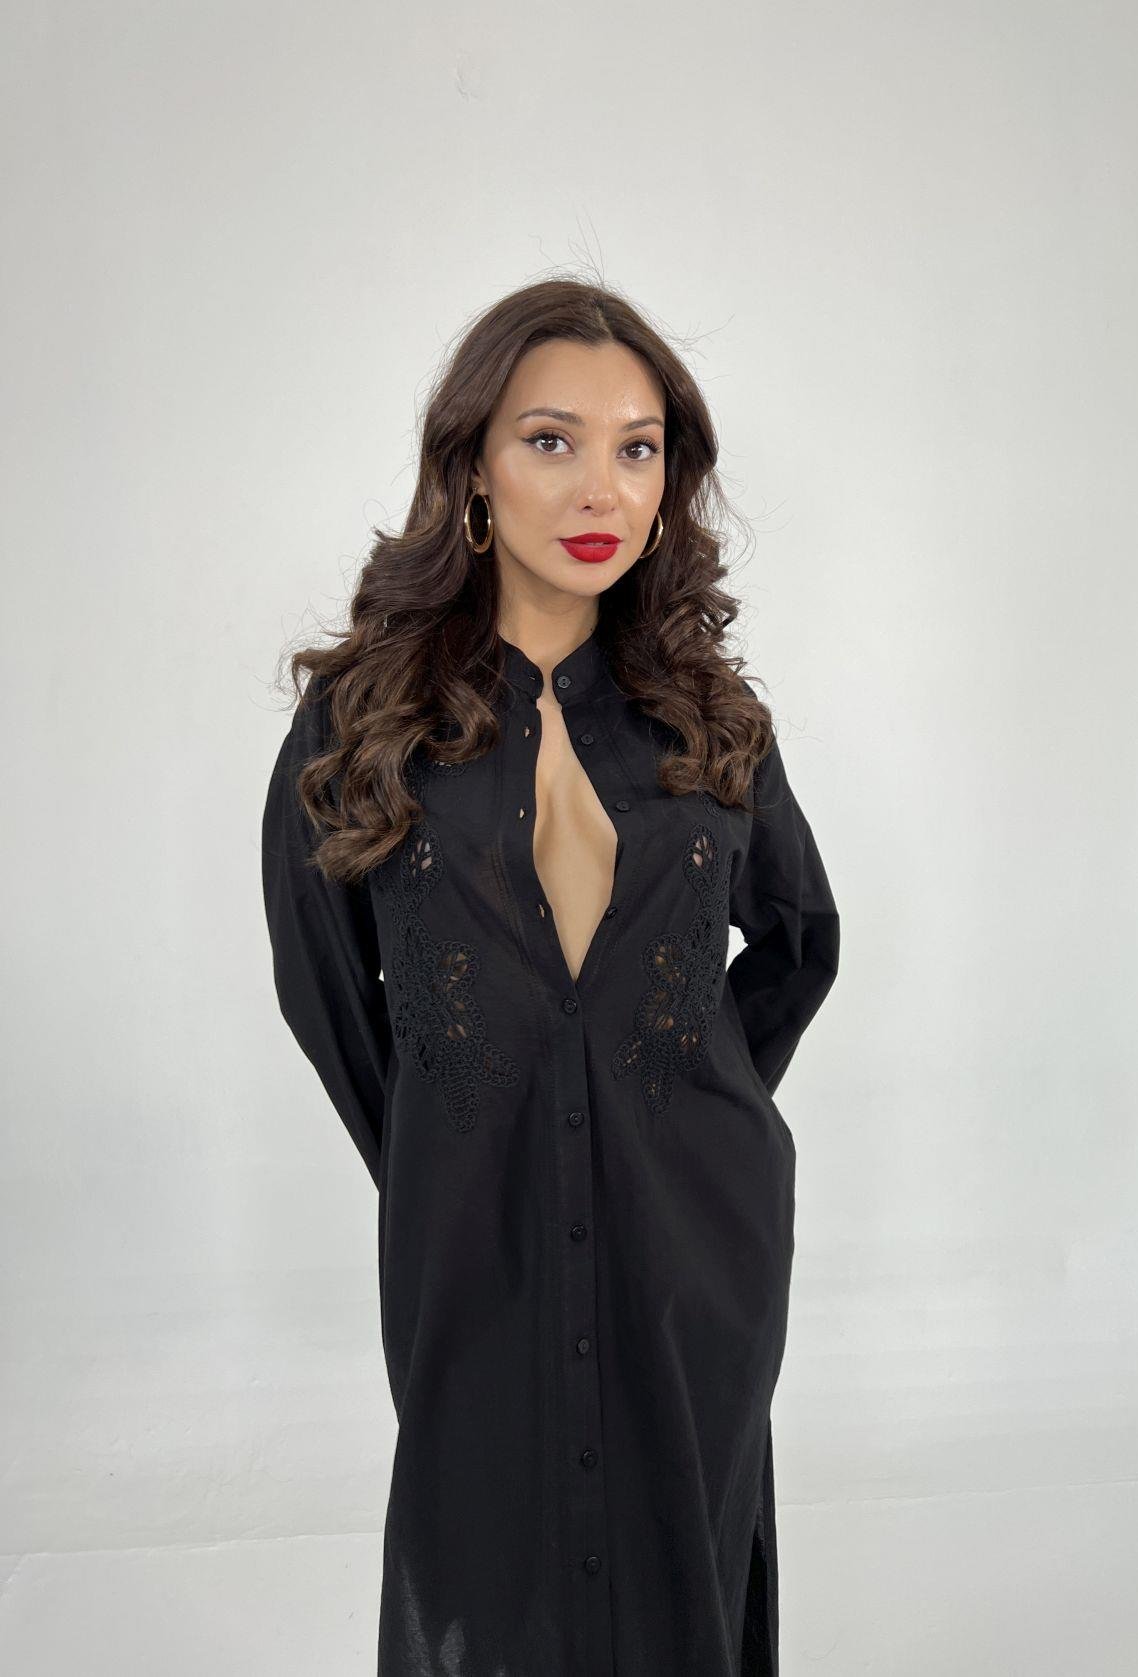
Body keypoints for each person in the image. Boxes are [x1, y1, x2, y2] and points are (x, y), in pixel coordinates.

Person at [260, 276, 841, 1677]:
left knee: (682, 1553)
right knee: (481, 1565)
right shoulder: (365, 722)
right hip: (475, 1239)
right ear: (472, 468)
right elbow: (324, 990)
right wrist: (452, 1136)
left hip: (696, 1243)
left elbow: (801, 937)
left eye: (637, 447)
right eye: (549, 440)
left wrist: (679, 1098)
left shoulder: (709, 717)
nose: (601, 488)